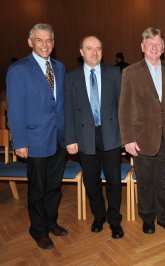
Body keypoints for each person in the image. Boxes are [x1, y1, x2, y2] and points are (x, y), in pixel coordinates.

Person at [6, 23, 67, 249]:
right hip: (35, 140)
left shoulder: (59, 67)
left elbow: (60, 105)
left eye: (49, 40)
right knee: (38, 189)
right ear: (30, 42)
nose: (45, 44)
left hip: (58, 138)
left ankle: (51, 222)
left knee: (54, 187)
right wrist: (19, 141)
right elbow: (16, 109)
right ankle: (38, 229)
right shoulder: (19, 70)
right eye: (40, 40)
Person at [119, 27, 165, 234]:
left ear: (163, 48)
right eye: (150, 44)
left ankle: (164, 218)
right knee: (145, 181)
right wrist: (128, 138)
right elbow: (124, 108)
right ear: (142, 47)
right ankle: (148, 218)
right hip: (142, 138)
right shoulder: (130, 72)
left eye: (158, 44)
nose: (154, 47)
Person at [64, 36, 124, 239]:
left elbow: (121, 107)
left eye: (98, 48)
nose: (94, 52)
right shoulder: (71, 77)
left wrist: (125, 136)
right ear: (81, 51)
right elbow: (68, 109)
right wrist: (70, 139)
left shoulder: (114, 73)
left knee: (114, 181)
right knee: (91, 181)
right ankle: (99, 216)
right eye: (90, 48)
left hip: (111, 135)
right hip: (84, 136)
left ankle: (115, 219)